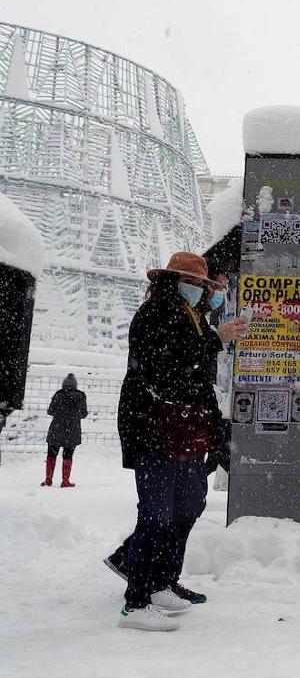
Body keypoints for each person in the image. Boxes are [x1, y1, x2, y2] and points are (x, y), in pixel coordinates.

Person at [115, 252, 248, 631]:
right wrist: (216, 341)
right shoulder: (156, 313)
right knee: (156, 513)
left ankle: (162, 581)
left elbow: (199, 377)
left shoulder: (194, 319)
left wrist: (216, 431)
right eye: (198, 285)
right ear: (172, 282)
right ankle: (136, 601)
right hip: (155, 429)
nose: (203, 292)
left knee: (188, 504)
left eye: (205, 287)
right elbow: (166, 369)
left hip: (187, 431)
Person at [43, 373, 88, 487]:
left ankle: (48, 480)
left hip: (56, 429)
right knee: (68, 455)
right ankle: (65, 480)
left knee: (51, 455)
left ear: (63, 385)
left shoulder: (58, 394)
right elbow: (83, 414)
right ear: (75, 385)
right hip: (72, 430)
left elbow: (50, 411)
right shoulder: (81, 396)